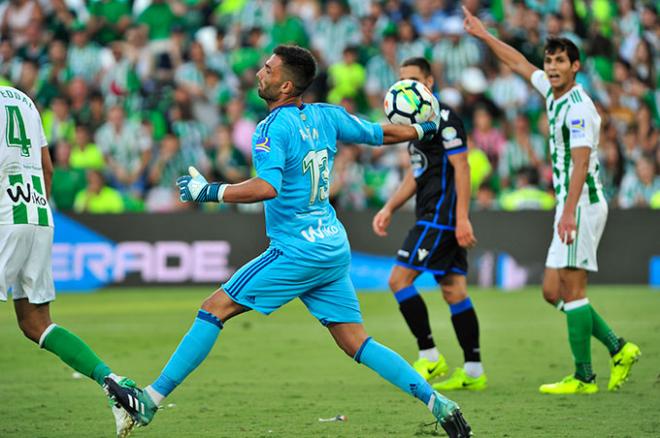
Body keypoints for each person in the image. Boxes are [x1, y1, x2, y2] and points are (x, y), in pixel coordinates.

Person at [104, 45, 472, 438]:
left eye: (267, 68)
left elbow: (267, 187)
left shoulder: (271, 129)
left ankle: (150, 400)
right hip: (331, 245)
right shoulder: (327, 116)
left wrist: (207, 191)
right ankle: (439, 403)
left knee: (214, 308)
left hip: (296, 249)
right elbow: (381, 133)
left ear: (284, 85)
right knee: (356, 341)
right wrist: (421, 129)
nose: (259, 72)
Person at [463, 7, 641, 394]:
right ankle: (619, 348)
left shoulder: (577, 107)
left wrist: (569, 213)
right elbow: (516, 61)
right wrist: (483, 35)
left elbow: (580, 164)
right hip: (569, 205)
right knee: (551, 291)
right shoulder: (551, 91)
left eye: (561, 61)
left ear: (575, 67)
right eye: (550, 61)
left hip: (582, 204)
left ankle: (583, 377)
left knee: (574, 292)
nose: (553, 67)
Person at [0, 85, 131, 436]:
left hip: (4, 215)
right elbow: (48, 168)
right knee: (35, 323)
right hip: (39, 214)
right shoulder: (23, 100)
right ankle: (115, 383)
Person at [372, 57, 486, 391]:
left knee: (398, 280)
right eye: (402, 80)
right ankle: (475, 370)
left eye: (414, 80)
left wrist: (462, 218)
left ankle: (430, 355)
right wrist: (390, 206)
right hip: (432, 214)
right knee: (454, 291)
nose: (407, 86)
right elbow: (416, 173)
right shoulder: (416, 123)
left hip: (440, 218)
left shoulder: (446, 117)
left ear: (430, 83)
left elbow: (462, 167)